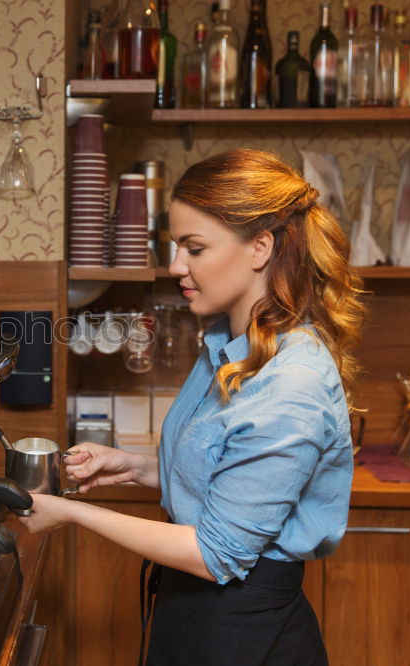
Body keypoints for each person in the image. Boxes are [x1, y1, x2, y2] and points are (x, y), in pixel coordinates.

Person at [19, 149, 367, 665]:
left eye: (194, 248)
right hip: (190, 614)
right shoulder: (225, 348)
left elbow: (216, 553)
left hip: (245, 633)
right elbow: (225, 479)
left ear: (260, 248)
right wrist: (134, 467)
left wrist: (70, 512)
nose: (176, 265)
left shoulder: (292, 383)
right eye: (176, 246)